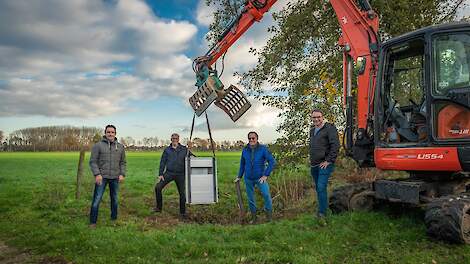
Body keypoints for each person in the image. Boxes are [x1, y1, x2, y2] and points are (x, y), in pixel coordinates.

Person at [89, 125, 126, 228]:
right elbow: (93, 162)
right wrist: (97, 174)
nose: (110, 134)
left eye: (112, 132)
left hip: (115, 177)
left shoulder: (120, 147)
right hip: (102, 177)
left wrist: (122, 174)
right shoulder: (98, 146)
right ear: (105, 133)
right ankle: (93, 222)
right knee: (97, 199)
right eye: (108, 132)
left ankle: (113, 218)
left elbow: (123, 162)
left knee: (114, 199)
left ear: (115, 133)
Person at [235, 131, 276, 223]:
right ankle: (254, 219)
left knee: (266, 195)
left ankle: (269, 217)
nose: (251, 140)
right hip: (248, 178)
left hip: (260, 178)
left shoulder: (263, 149)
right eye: (249, 138)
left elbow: (272, 162)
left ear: (257, 139)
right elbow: (242, 164)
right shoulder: (245, 150)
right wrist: (239, 176)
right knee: (251, 199)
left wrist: (266, 175)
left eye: (253, 138)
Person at [309, 109, 340, 220]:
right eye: (314, 117)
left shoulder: (329, 128)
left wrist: (329, 161)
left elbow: (335, 145)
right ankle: (323, 207)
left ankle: (322, 213)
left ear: (322, 117)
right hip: (314, 165)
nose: (316, 119)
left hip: (324, 164)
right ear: (311, 118)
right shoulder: (312, 130)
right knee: (318, 188)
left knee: (321, 187)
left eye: (318, 117)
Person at [154, 133, 189, 220]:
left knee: (182, 194)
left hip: (180, 174)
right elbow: (162, 162)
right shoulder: (167, 150)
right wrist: (160, 174)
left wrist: (190, 148)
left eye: (176, 138)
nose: (174, 140)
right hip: (169, 173)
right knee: (158, 187)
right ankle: (159, 208)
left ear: (178, 139)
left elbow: (192, 158)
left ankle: (182, 213)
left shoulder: (184, 149)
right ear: (171, 139)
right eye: (173, 138)